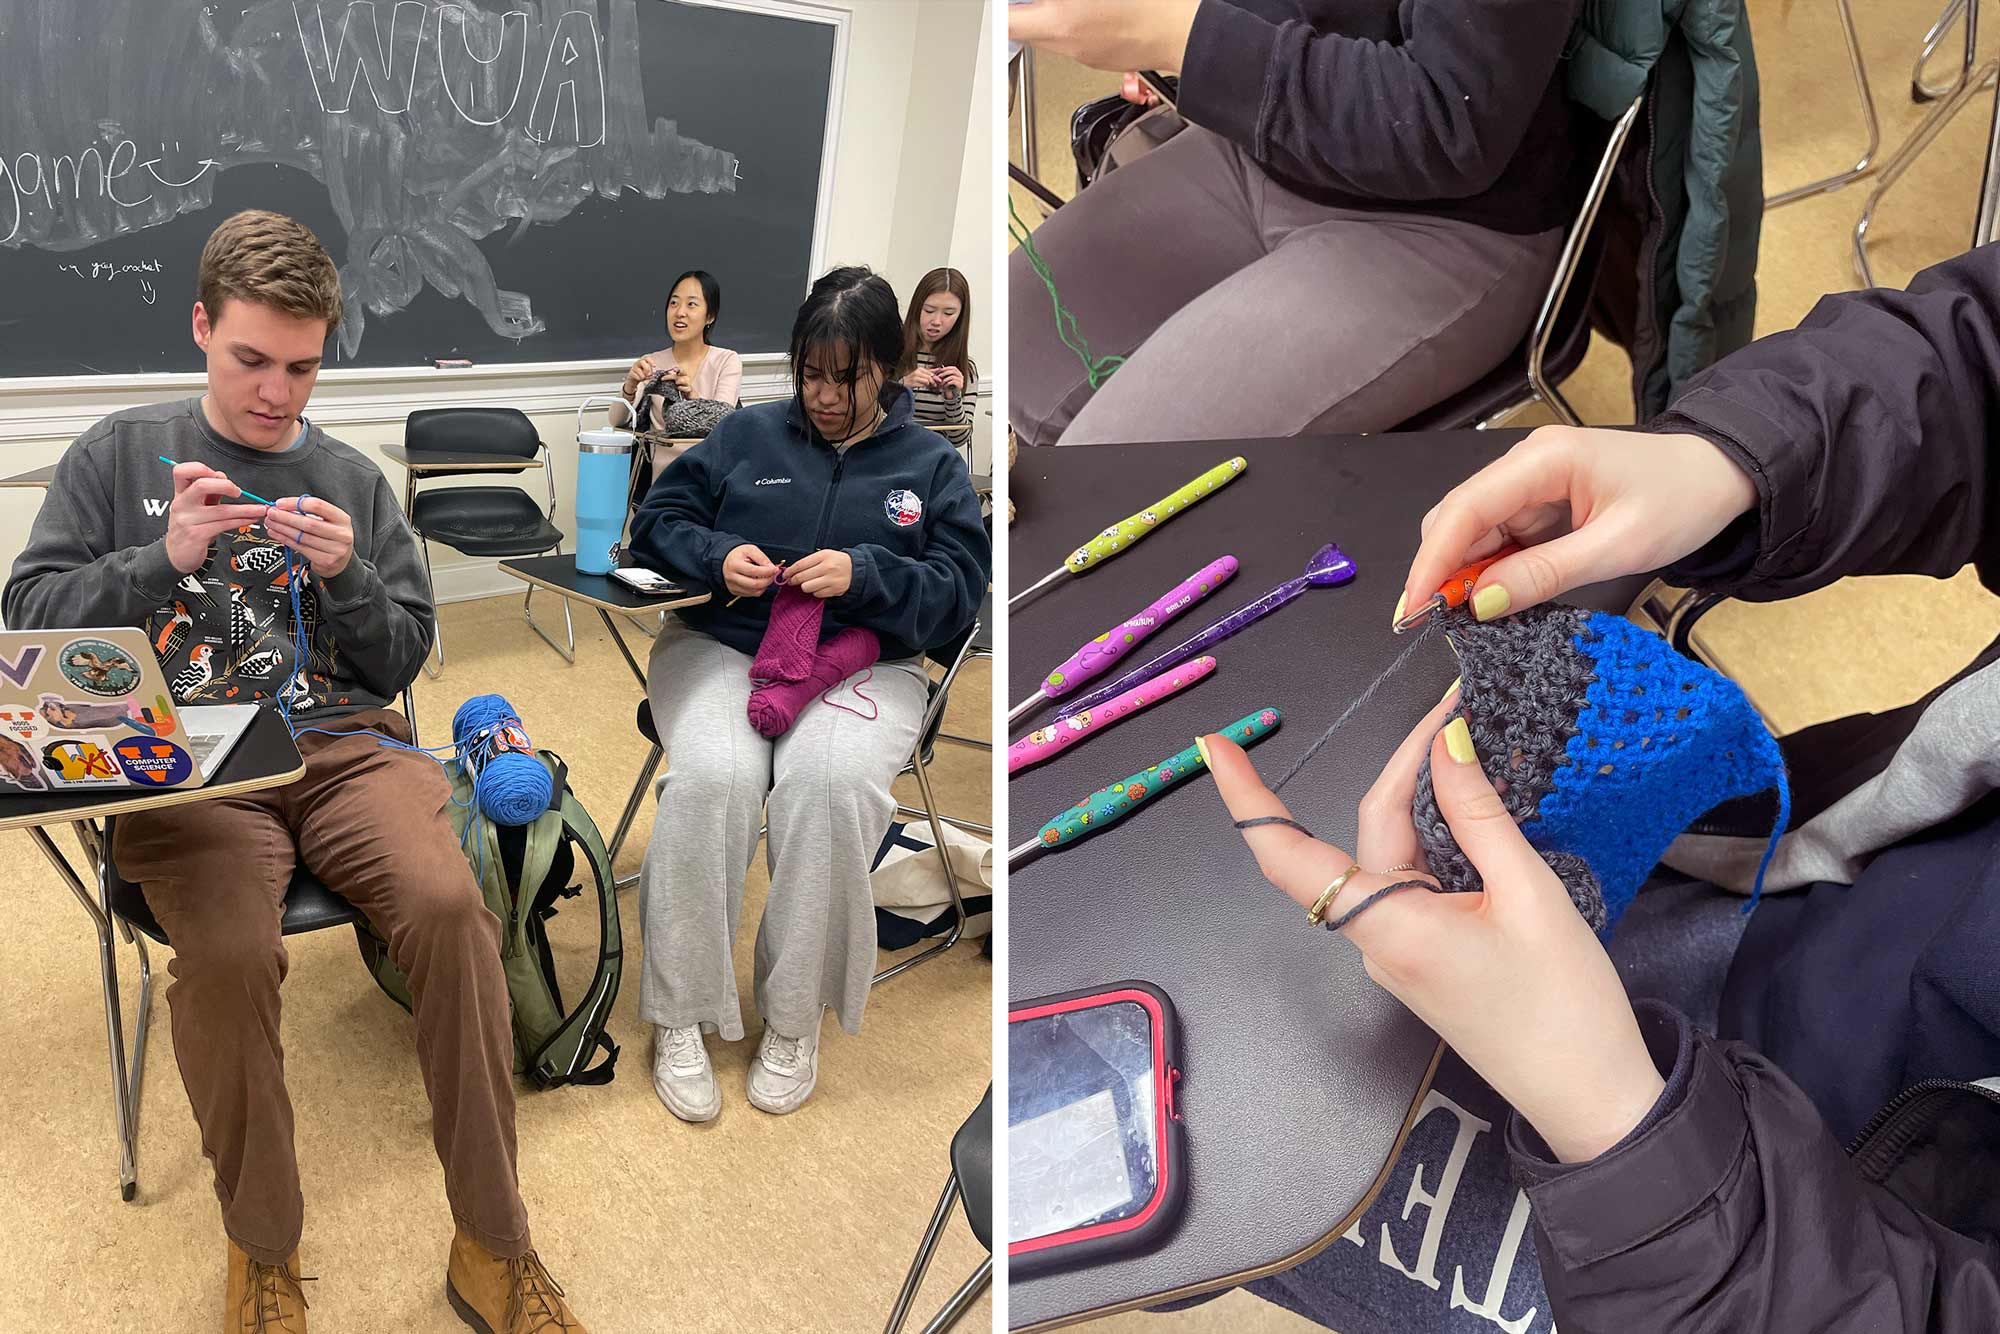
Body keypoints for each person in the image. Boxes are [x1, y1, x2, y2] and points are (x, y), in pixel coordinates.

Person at [1196, 243, 2000, 1329]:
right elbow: (1977, 344)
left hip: (1815, 1226)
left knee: (1185, 1137)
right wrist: (1742, 452)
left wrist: (1622, 1135)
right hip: (1831, 895)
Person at [3, 210, 587, 1333]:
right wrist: (157, 558)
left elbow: (402, 656)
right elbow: (26, 624)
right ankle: (263, 1250)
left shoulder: (347, 476)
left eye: (306, 365)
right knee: (226, 955)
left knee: (451, 905)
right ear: (200, 328)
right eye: (251, 360)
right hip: (190, 764)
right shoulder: (119, 454)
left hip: (342, 746)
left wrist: (354, 579)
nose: (279, 394)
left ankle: (492, 1241)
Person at [627, 266, 989, 1123]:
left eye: (847, 376)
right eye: (809, 374)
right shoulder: (747, 436)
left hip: (866, 662)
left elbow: (959, 594)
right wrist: (715, 557)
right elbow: (657, 523)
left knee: (826, 789)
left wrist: (867, 573)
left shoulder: (932, 465)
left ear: (889, 366)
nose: (825, 396)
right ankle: (679, 1014)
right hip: (722, 647)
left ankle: (793, 1020)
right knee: (713, 779)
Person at [1007, 0, 1588, 447]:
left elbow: (1445, 122)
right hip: (1257, 152)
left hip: (1443, 225)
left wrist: (1185, 38)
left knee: (1093, 489)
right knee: (1003, 368)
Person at [615, 269, 744, 430]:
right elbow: (617, 421)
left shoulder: (727, 361)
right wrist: (630, 385)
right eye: (674, 303)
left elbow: (723, 423)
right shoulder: (652, 362)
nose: (680, 312)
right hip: (661, 455)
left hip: (707, 455)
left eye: (691, 304)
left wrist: (692, 396)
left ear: (710, 316)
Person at [896, 267, 977, 435]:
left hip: (935, 457)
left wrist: (952, 397)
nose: (936, 321)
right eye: (929, 310)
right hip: (887, 451)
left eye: (949, 313)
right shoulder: (890, 352)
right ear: (917, 308)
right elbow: (865, 417)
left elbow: (958, 438)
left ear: (960, 317)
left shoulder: (965, 368)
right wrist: (902, 386)